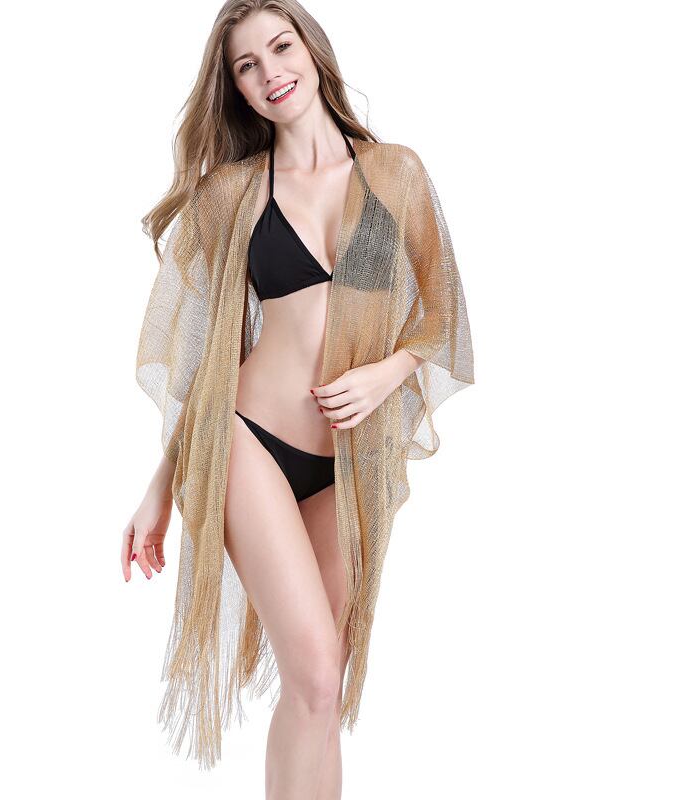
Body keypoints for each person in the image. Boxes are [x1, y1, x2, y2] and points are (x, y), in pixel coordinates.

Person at [121, 0, 474, 794]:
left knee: (322, 686)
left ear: (312, 50)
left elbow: (442, 315)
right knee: (313, 668)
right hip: (248, 438)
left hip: (347, 460)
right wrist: (159, 490)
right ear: (237, 87)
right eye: (247, 65)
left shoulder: (396, 173)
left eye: (280, 48)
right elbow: (201, 358)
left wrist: (386, 373)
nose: (270, 72)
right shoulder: (232, 193)